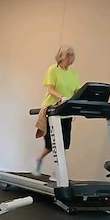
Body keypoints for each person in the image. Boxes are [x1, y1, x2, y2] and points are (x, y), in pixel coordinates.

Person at [33, 45, 80, 176]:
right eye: (68, 55)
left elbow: (76, 90)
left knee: (63, 145)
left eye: (72, 55)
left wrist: (78, 100)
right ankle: (38, 160)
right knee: (51, 145)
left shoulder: (73, 73)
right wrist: (62, 97)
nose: (71, 57)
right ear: (61, 56)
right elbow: (50, 89)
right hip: (52, 110)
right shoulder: (53, 70)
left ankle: (57, 173)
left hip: (66, 112)